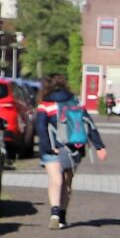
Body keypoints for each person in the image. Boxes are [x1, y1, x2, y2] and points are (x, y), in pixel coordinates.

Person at [35, 75, 106, 229]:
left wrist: (47, 147)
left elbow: (40, 127)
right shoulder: (75, 102)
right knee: (67, 183)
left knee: (55, 181)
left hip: (53, 148)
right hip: (73, 149)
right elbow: (89, 124)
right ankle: (62, 217)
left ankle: (54, 213)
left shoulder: (45, 104)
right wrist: (99, 146)